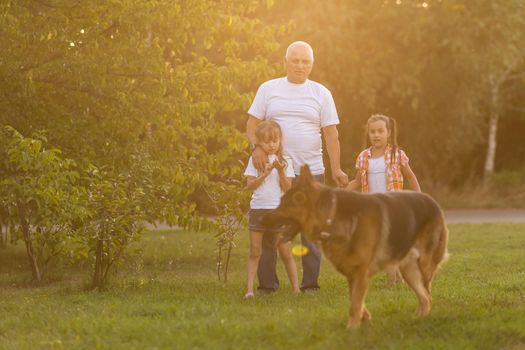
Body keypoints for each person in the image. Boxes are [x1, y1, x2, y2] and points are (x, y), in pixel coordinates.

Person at [246, 41, 348, 293]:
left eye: (305, 61)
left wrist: (336, 168)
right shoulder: (269, 89)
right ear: (285, 61)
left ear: (312, 65)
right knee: (270, 227)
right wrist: (256, 147)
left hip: (310, 171)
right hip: (273, 170)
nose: (300, 65)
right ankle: (267, 286)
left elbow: (331, 134)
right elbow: (251, 123)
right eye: (295, 60)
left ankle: (310, 284)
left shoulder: (321, 93)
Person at [346, 114, 421, 284]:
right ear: (368, 134)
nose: (376, 135)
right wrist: (341, 193)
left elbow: (410, 176)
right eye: (372, 131)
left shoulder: (397, 154)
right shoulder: (364, 157)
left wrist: (419, 197)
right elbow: (357, 181)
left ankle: (392, 280)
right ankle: (397, 276)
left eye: (380, 131)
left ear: (388, 132)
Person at [244, 121, 299, 298]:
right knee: (255, 250)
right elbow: (250, 186)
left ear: (280, 140)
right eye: (267, 142)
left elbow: (288, 189)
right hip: (258, 210)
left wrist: (280, 171)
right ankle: (250, 290)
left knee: (285, 252)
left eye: (275, 140)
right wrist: (265, 174)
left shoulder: (285, 160)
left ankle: (296, 289)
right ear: (259, 143)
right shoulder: (255, 160)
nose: (272, 145)